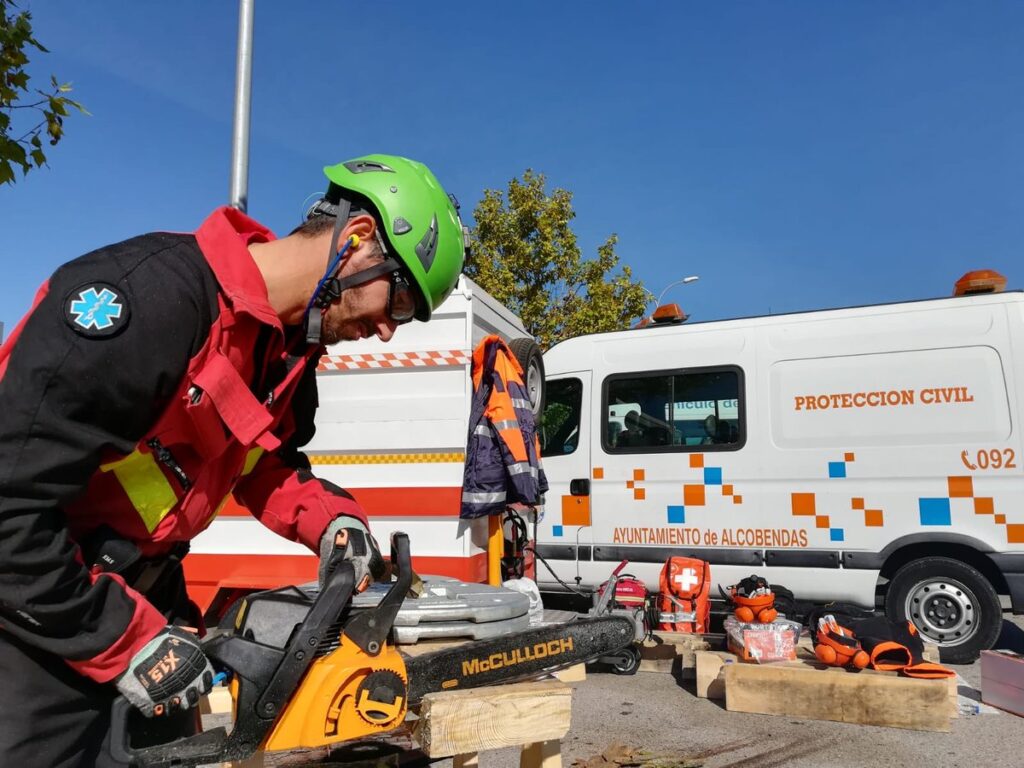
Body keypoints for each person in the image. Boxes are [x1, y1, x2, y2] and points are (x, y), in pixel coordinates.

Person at [0, 153, 466, 767]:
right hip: (42, 620)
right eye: (401, 303)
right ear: (355, 242)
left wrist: (330, 521)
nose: (388, 331)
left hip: (152, 606)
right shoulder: (149, 302)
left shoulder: (289, 352)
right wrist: (121, 639)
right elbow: (9, 510)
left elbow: (267, 463)